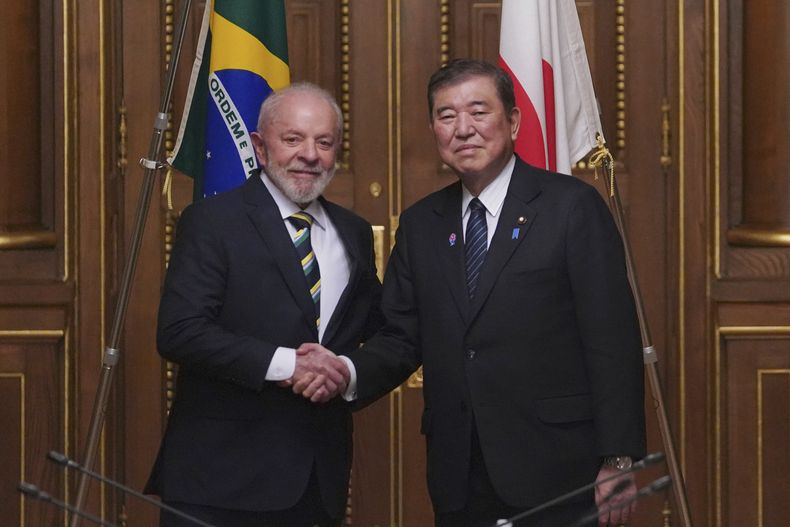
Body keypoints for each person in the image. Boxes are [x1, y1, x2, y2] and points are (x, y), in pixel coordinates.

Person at [296, 59, 646, 526]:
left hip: (561, 467)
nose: (463, 129)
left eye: (479, 112)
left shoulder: (571, 207)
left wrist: (619, 458)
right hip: (460, 471)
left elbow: (612, 340)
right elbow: (401, 337)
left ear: (513, 121)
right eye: (447, 115)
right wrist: (346, 371)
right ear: (434, 130)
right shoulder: (422, 224)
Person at [145, 82, 382, 527]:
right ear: (259, 146)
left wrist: (346, 372)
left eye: (324, 142)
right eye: (293, 139)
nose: (309, 154)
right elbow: (180, 331)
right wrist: (289, 365)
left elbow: (379, 330)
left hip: (317, 483)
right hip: (219, 483)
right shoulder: (212, 222)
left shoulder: (354, 232)